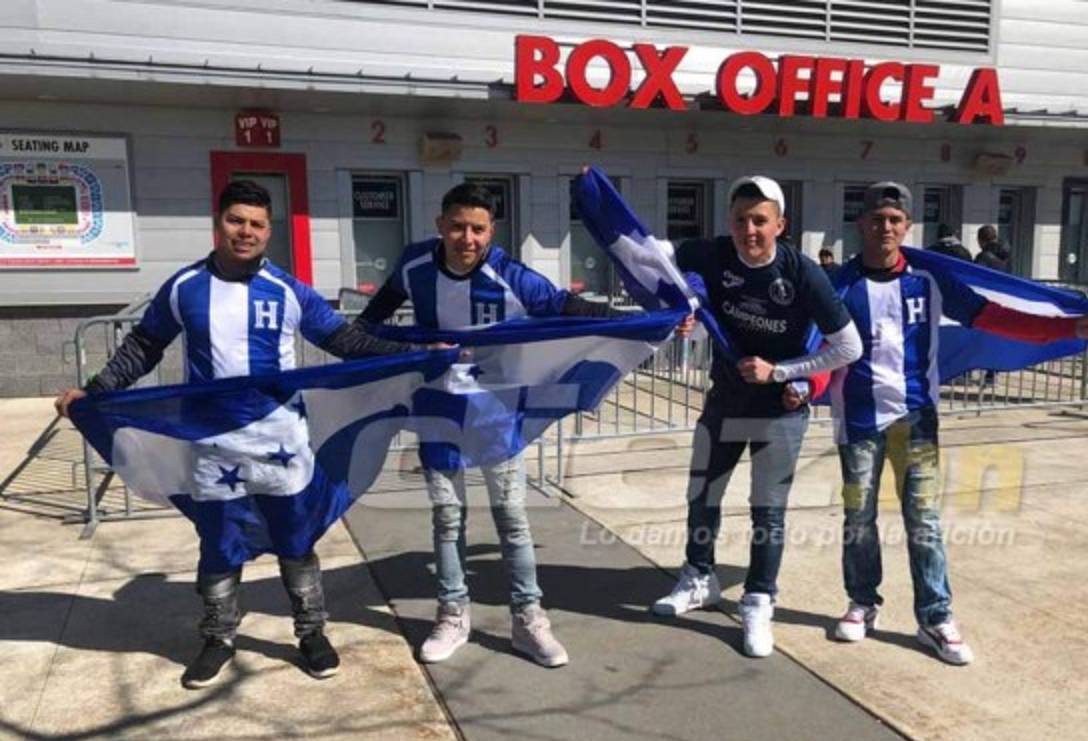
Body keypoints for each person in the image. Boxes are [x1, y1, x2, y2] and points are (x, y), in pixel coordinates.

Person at [55, 180, 412, 688]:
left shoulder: (290, 291)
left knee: (296, 538)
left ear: (269, 231)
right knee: (219, 542)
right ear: (218, 222)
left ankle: (311, 633)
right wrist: (96, 390)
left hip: (280, 443)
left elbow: (346, 340)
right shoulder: (184, 287)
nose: (246, 231)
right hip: (212, 443)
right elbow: (144, 344)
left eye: (257, 224)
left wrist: (414, 358)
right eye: (236, 220)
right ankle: (218, 637)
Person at [816, 181, 1088, 665]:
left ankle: (935, 616)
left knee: (924, 521)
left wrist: (1072, 326)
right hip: (858, 420)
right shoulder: (839, 285)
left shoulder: (930, 280)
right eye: (876, 219)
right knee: (858, 518)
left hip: (917, 418)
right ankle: (862, 603)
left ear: (908, 227)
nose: (885, 227)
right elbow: (813, 342)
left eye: (894, 219)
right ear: (861, 224)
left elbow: (994, 317)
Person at [353, 182, 630, 668]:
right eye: (457, 226)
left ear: (491, 231)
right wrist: (413, 352)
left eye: (478, 229)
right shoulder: (415, 265)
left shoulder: (510, 273)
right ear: (440, 225)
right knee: (447, 517)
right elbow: (366, 328)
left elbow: (564, 306)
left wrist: (641, 319)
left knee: (512, 519)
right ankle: (452, 613)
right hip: (437, 410)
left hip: (496, 415)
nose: (467, 238)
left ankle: (528, 618)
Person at [640, 176, 862, 658]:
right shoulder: (711, 253)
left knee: (768, 510)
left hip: (779, 410)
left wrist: (782, 372)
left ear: (780, 225)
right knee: (702, 494)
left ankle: (759, 599)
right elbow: (659, 256)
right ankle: (700, 577)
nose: (749, 230)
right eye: (740, 219)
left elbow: (849, 346)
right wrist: (682, 310)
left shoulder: (803, 272)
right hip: (724, 400)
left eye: (760, 220)